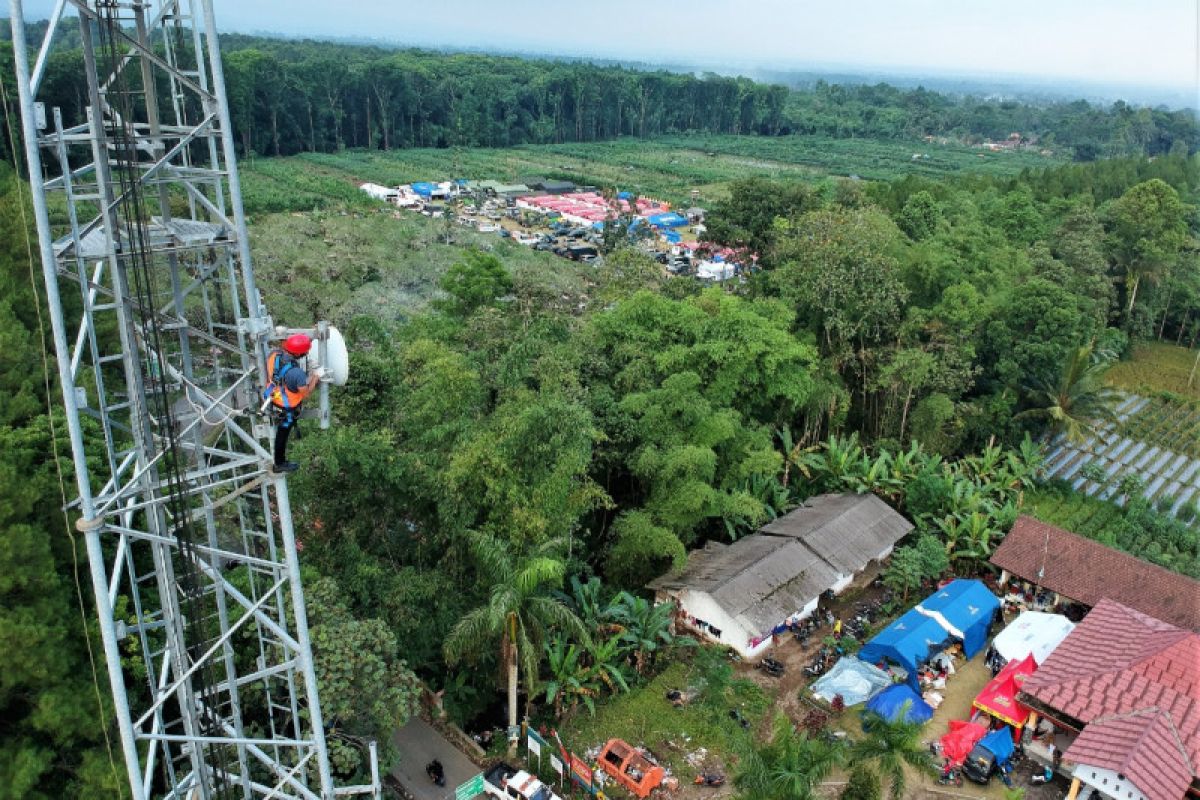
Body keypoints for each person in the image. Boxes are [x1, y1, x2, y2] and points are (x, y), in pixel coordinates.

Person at [262, 333, 324, 473]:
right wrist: (315, 377)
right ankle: (279, 463)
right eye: (306, 351)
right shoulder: (297, 374)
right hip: (286, 407)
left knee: (282, 432)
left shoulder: (274, 354)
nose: (307, 353)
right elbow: (306, 393)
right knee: (282, 435)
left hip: (274, 397)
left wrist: (311, 336)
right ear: (299, 353)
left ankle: (280, 462)